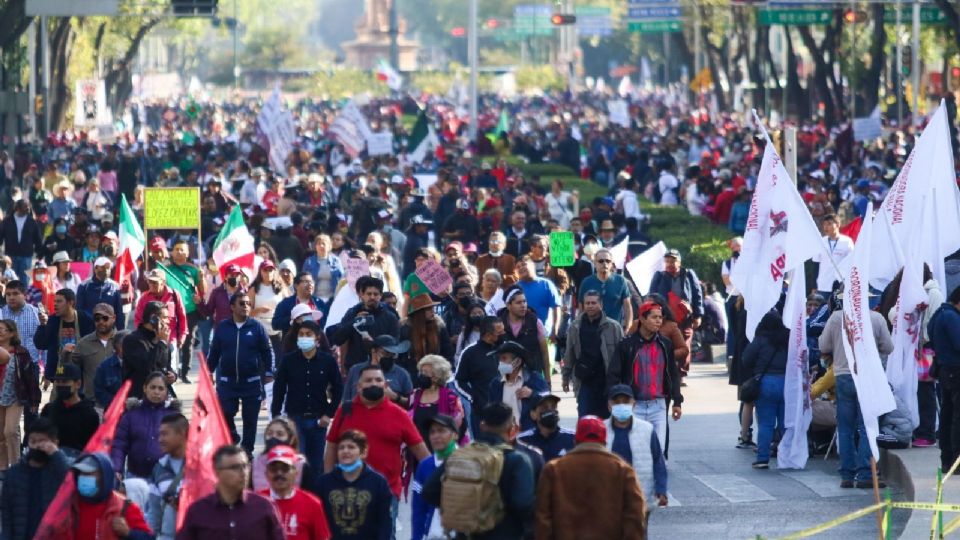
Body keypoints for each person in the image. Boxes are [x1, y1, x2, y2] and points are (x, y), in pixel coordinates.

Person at [324, 365, 430, 533]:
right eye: (368, 380)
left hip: (387, 491)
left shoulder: (399, 414)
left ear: (385, 386)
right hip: (346, 491)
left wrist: (436, 479)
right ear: (358, 387)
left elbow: (421, 452)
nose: (374, 383)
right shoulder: (344, 411)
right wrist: (328, 480)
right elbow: (331, 447)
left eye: (378, 380)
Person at [421, 402, 536, 540]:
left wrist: (461, 505)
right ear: (512, 428)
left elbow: (429, 491)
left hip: (465, 534)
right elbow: (522, 504)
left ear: (482, 425)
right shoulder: (517, 460)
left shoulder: (460, 455)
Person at [819, 292, 894, 487]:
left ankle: (846, 473)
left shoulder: (836, 317)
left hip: (843, 374)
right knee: (867, 426)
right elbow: (888, 346)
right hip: (868, 376)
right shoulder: (876, 318)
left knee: (845, 427)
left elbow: (823, 344)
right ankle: (865, 474)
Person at [534, 416, 648, 540]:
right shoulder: (622, 469)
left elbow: (543, 517)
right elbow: (635, 516)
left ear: (575, 440)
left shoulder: (554, 469)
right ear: (604, 441)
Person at [607, 301, 683, 456]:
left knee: (658, 451)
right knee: (635, 451)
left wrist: (677, 401)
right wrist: (612, 399)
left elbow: (673, 374)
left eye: (660, 318)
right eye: (654, 317)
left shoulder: (665, 344)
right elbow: (614, 374)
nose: (658, 321)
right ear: (642, 319)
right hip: (635, 406)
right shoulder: (627, 345)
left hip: (659, 406)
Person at [207, 291, 275, 454]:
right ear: (232, 307)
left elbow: (268, 351)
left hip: (251, 382)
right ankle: (232, 434)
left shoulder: (256, 327)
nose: (246, 306)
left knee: (250, 421)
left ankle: (247, 451)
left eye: (248, 303)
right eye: (242, 303)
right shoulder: (223, 327)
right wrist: (208, 371)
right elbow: (214, 352)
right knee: (224, 412)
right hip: (227, 382)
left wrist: (269, 372)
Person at [272, 320, 343, 470]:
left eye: (308, 334)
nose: (304, 337)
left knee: (316, 466)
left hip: (318, 420)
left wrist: (329, 414)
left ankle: (314, 494)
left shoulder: (328, 361)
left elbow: (338, 388)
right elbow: (279, 389)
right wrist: (276, 415)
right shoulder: (288, 361)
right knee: (298, 464)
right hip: (295, 419)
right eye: (301, 334)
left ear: (317, 339)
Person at [176, 444, 285, 540]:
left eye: (245, 466)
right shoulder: (198, 511)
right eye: (235, 467)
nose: (243, 472)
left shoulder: (264, 507)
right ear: (217, 471)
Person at [0, 418, 72, 540]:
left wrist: (56, 455)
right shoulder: (14, 475)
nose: (37, 446)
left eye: (43, 442)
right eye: (33, 441)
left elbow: (71, 483)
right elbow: (7, 519)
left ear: (55, 443)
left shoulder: (58, 471)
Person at [315, 430, 393, 540]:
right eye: (341, 448)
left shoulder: (378, 482)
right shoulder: (323, 483)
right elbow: (316, 521)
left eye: (351, 447)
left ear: (363, 452)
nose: (345, 451)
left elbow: (385, 522)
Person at [62, 452, 154, 540]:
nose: (83, 477)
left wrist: (128, 533)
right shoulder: (70, 503)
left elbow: (149, 538)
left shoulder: (124, 507)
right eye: (81, 473)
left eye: (89, 473)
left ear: (104, 477)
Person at [562, 290, 623, 418]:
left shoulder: (613, 327)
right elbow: (569, 353)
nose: (590, 306)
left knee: (608, 422)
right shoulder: (575, 326)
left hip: (607, 382)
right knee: (585, 421)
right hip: (585, 382)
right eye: (587, 303)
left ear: (601, 304)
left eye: (593, 303)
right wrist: (565, 376)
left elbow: (622, 356)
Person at [605, 384, 668, 510]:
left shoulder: (646, 429)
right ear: (609, 406)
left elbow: (658, 461)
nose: (621, 405)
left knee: (637, 530)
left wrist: (661, 490)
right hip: (609, 499)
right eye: (617, 402)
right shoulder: (601, 430)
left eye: (626, 401)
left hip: (640, 498)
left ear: (634, 404)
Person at [741, 311, 789, 469]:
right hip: (786, 383)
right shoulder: (787, 339)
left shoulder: (760, 339)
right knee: (784, 423)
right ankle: (785, 456)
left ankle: (762, 458)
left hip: (765, 382)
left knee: (766, 424)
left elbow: (746, 359)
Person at [111, 372, 180, 479]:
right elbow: (120, 443)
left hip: (165, 479)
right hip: (136, 476)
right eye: (153, 387)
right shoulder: (131, 414)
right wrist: (116, 468)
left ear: (166, 391)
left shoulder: (174, 416)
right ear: (145, 388)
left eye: (161, 389)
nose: (156, 392)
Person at [257, 444, 331, 540]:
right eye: (274, 469)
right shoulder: (256, 502)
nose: (279, 473)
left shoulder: (312, 504)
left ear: (296, 472)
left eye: (285, 469)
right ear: (266, 474)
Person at [328, 276, 400, 370]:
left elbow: (395, 343)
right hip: (357, 367)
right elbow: (337, 339)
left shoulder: (390, 316)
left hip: (383, 368)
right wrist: (354, 323)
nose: (372, 297)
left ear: (380, 295)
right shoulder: (352, 313)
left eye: (376, 294)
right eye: (369, 294)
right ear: (362, 295)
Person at [161, 239, 206, 383]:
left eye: (182, 249)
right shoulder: (166, 269)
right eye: (176, 249)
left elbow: (202, 290)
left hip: (190, 310)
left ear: (187, 253)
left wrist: (202, 277)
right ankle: (170, 371)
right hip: (171, 311)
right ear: (172, 252)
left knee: (188, 343)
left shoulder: (193, 269)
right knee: (171, 341)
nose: (179, 252)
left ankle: (185, 373)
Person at [410, 414, 460, 540]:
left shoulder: (468, 462)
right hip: (433, 535)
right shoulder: (425, 466)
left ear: (455, 434)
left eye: (441, 431)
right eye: (432, 432)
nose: (436, 436)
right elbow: (418, 509)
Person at [0, 319, 41, 470]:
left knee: (10, 430)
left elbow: (30, 378)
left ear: (11, 333)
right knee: (0, 434)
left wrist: (34, 400)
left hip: (15, 397)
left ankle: (16, 465)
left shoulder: (21, 352)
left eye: (2, 329)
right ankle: (3, 467)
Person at [34, 288, 95, 387]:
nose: (55, 304)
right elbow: (41, 344)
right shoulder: (53, 320)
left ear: (70, 303)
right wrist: (42, 325)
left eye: (59, 301)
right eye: (54, 301)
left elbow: (91, 345)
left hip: (81, 370)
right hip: (60, 369)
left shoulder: (85, 319)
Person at [455, 316, 504, 436]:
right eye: (500, 332)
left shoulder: (505, 350)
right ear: (488, 335)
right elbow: (459, 380)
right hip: (482, 413)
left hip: (506, 411)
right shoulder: (470, 353)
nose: (504, 334)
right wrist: (473, 397)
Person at [488, 341, 550, 432]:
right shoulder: (495, 384)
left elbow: (549, 403)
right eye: (499, 359)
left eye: (504, 358)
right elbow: (491, 413)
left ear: (517, 361)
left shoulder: (534, 379)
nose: (500, 362)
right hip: (504, 437)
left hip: (529, 436)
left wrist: (532, 394)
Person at [930, 286, 960, 470]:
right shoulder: (951, 317)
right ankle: (956, 460)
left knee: (948, 415)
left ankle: (947, 459)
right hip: (956, 370)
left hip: (944, 370)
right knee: (957, 417)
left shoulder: (938, 314)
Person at [40, 363, 100, 456]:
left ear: (78, 384)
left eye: (65, 382)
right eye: (58, 382)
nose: (60, 385)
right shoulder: (49, 410)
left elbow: (92, 448)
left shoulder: (89, 414)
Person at [134, 270, 188, 370]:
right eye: (149, 281)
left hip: (170, 339)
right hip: (149, 341)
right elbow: (138, 319)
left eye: (155, 282)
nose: (151, 284)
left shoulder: (174, 295)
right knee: (152, 368)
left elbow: (182, 317)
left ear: (163, 282)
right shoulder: (144, 297)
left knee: (170, 371)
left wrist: (182, 337)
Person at [146, 412, 187, 540]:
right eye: (160, 434)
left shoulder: (202, 466)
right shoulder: (158, 468)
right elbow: (154, 512)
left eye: (165, 434)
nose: (160, 440)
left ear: (181, 434)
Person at [122, 301, 176, 400]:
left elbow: (165, 366)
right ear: (153, 319)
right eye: (165, 318)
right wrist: (162, 343)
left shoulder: (161, 339)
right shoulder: (132, 340)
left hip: (162, 396)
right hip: (140, 398)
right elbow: (147, 368)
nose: (168, 321)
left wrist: (173, 375)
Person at [63, 302, 116, 401]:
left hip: (118, 404)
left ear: (114, 318)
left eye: (105, 318)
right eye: (97, 319)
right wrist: (65, 355)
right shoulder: (83, 343)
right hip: (93, 402)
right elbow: (70, 369)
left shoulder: (124, 341)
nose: (101, 322)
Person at [341, 335, 413, 406]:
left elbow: (412, 404)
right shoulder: (355, 370)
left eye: (393, 354)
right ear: (373, 351)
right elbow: (346, 400)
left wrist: (395, 397)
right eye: (386, 353)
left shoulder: (402, 374)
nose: (390, 357)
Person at [409, 355, 466, 445]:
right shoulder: (415, 395)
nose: (421, 375)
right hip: (419, 447)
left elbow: (460, 426)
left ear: (436, 377)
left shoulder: (450, 397)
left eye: (425, 372)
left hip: (443, 448)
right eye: (421, 371)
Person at [499, 287, 550, 382]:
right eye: (518, 303)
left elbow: (544, 353)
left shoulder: (535, 322)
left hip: (532, 374)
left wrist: (547, 379)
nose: (523, 305)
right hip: (507, 376)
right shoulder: (499, 323)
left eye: (524, 301)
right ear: (508, 305)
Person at [577, 248, 632, 327]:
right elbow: (581, 309)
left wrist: (628, 327)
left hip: (614, 331)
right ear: (595, 263)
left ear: (612, 264)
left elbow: (627, 307)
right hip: (591, 330)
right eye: (601, 261)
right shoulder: (586, 282)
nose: (605, 263)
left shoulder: (620, 281)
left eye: (608, 261)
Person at [400, 294, 454, 374]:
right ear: (419, 313)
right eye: (428, 309)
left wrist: (443, 370)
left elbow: (447, 352)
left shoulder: (439, 327)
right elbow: (402, 357)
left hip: (437, 373)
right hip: (414, 374)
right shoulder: (405, 329)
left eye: (432, 308)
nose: (433, 311)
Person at [518, 393, 575, 462]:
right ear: (533, 414)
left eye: (553, 407)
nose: (550, 410)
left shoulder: (572, 438)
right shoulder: (522, 441)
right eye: (544, 408)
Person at [75, 257, 125, 330]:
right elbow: (79, 310)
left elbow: (119, 312)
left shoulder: (115, 287)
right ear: (95, 268)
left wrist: (121, 332)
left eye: (108, 268)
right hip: (89, 329)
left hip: (109, 329)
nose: (106, 270)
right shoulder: (84, 286)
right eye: (103, 267)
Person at [0, 199, 43, 282]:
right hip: (10, 255)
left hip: (26, 256)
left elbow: (37, 239)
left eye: (28, 206)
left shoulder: (32, 222)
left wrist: (40, 253)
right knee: (10, 280)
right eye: (25, 206)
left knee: (25, 281)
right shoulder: (7, 221)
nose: (27, 208)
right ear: (17, 208)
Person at [812, 214, 854, 297]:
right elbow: (816, 265)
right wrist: (814, 285)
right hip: (823, 285)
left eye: (829, 224)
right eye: (824, 224)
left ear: (837, 225)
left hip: (840, 285)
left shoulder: (847, 242)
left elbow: (852, 263)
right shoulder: (821, 242)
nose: (826, 227)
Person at [272, 272, 323, 337]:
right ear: (296, 285)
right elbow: (275, 324)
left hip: (315, 344)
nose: (310, 284)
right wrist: (292, 319)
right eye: (306, 281)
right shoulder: (286, 303)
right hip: (292, 344)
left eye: (311, 282)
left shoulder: (319, 303)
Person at [303, 234, 344, 303]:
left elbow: (342, 279)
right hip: (314, 298)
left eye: (323, 244)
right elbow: (303, 281)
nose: (321, 246)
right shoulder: (309, 262)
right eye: (318, 244)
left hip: (333, 298)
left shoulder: (336, 261)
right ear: (315, 246)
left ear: (329, 246)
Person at [95, 331, 129, 409]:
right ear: (118, 346)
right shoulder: (104, 367)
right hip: (112, 411)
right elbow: (99, 392)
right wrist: (118, 402)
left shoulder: (138, 364)